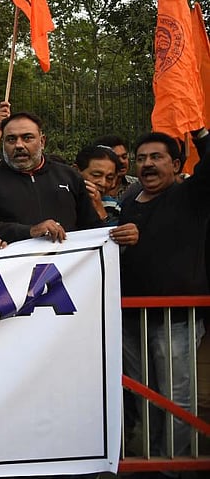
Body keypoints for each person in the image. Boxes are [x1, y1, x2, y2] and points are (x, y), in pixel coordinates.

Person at [119, 129, 210, 462]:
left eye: (156, 157)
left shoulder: (190, 196)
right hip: (131, 319)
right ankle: (152, 458)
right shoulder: (129, 199)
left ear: (175, 164)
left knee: (176, 397)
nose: (147, 165)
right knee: (146, 395)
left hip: (175, 318)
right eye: (141, 158)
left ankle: (172, 465)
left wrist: (199, 131)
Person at [0, 112, 120, 251]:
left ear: (42, 141)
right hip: (13, 276)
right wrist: (29, 231)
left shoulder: (69, 176)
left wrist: (118, 234)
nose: (19, 145)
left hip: (66, 276)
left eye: (27, 137)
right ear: (3, 144)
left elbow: (92, 229)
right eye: (11, 139)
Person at [73, 144, 122, 224]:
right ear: (76, 171)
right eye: (96, 175)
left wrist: (101, 211)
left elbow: (113, 234)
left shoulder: (113, 206)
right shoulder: (63, 200)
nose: (103, 183)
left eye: (109, 178)